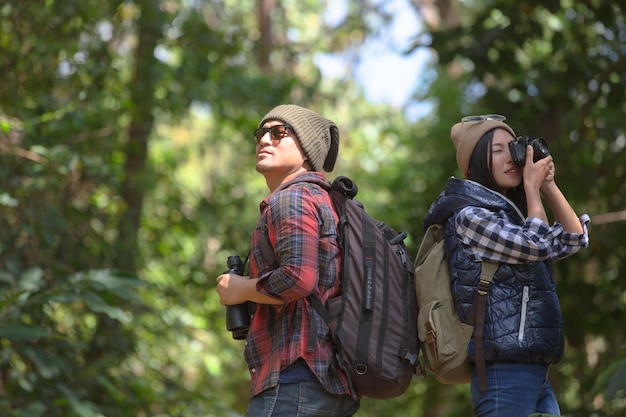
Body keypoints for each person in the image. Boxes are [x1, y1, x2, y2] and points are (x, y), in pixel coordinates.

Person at [422, 114, 590, 417]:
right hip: (503, 372)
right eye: (497, 150)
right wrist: (532, 189)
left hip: (534, 368)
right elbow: (535, 245)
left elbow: (573, 239)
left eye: (511, 147)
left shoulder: (509, 217)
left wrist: (548, 184)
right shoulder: (469, 216)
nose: (509, 156)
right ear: (473, 164)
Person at [215, 104, 360, 417]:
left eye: (279, 132)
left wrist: (241, 289)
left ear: (305, 148)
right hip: (332, 381)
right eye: (261, 133)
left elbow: (298, 277)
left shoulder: (292, 197)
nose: (265, 140)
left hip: (296, 380)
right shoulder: (327, 200)